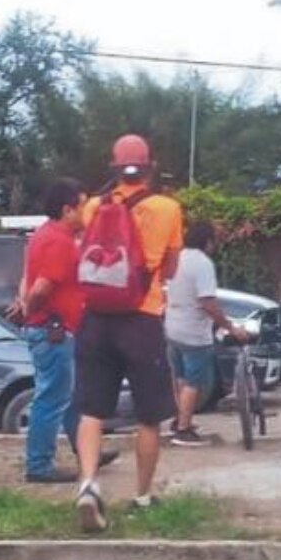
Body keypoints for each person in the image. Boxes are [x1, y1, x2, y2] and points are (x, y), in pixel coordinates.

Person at [73, 134, 183, 532]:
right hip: (142, 316)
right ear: (150, 167)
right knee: (149, 416)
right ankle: (141, 495)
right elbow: (170, 270)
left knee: (91, 410)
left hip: (97, 317)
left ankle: (88, 483)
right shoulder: (168, 208)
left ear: (114, 168)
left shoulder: (91, 207)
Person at [7, 179, 118, 483]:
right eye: (82, 207)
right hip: (53, 331)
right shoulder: (59, 242)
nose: (86, 213)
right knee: (52, 398)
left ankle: (86, 449)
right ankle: (39, 465)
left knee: (69, 395)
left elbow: (29, 278)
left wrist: (24, 303)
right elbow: (42, 286)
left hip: (52, 329)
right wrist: (31, 308)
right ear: (67, 210)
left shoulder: (43, 234)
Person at [164, 220, 248, 447]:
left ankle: (180, 420)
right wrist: (230, 327)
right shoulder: (203, 264)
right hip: (193, 332)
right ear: (207, 241)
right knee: (194, 382)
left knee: (180, 377)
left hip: (172, 326)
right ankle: (183, 430)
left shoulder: (177, 258)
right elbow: (208, 302)